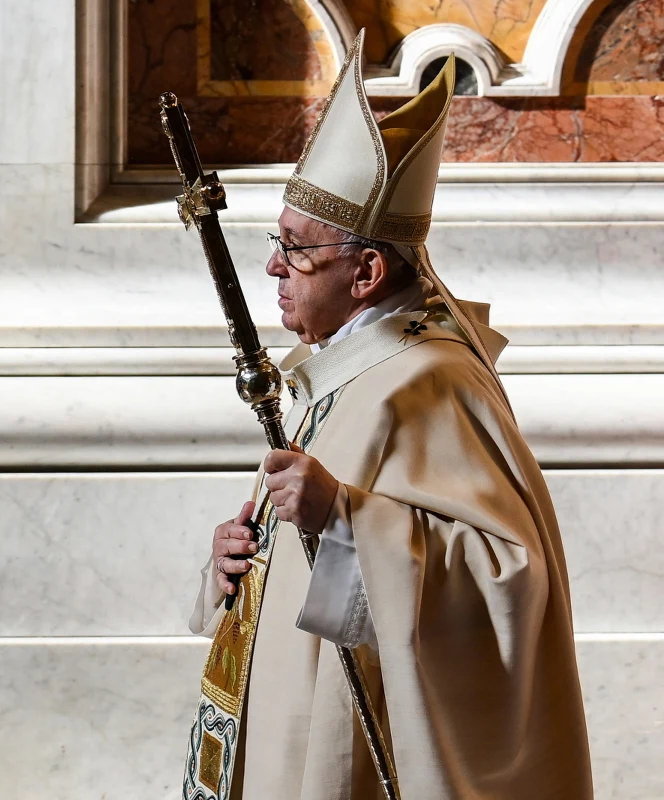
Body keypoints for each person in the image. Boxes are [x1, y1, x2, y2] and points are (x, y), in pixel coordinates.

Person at [184, 30, 593, 800]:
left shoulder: (429, 380)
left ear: (368, 271)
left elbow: (507, 581)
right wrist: (241, 554)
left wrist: (345, 515)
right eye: (278, 243)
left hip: (352, 735)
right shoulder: (340, 368)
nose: (273, 266)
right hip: (278, 711)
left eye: (299, 250)